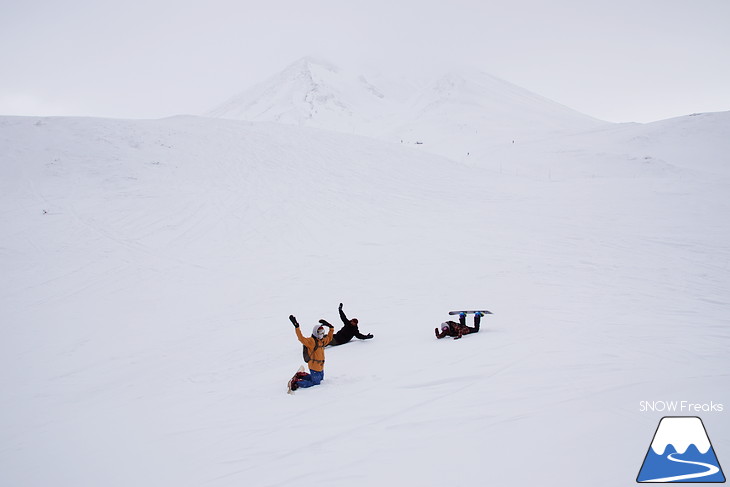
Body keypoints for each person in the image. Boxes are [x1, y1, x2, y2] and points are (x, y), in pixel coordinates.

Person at [289, 315, 334, 390]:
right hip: (314, 366)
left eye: (323, 333)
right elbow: (301, 338)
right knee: (315, 383)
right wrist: (297, 327)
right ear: (316, 332)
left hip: (321, 366)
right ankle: (296, 382)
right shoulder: (311, 341)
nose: (322, 335)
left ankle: (302, 375)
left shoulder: (322, 341)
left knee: (320, 380)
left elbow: (329, 338)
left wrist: (331, 327)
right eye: (320, 333)